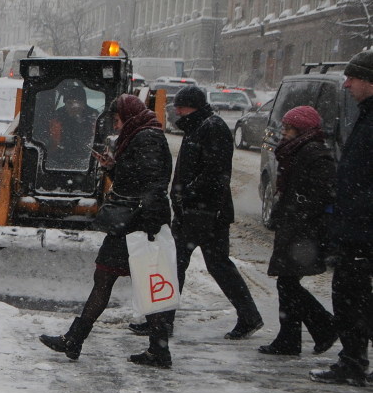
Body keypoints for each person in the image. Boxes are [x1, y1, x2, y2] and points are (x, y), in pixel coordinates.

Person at [40, 94, 175, 367]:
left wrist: (147, 227)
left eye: (117, 119)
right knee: (127, 281)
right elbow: (135, 179)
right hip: (135, 223)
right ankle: (155, 349)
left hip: (136, 224)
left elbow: (149, 184)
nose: (116, 124)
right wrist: (113, 167)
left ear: (128, 115)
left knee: (121, 281)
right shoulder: (143, 134)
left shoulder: (146, 137)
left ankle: (76, 340)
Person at [147, 85, 262, 340]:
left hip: (205, 212)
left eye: (182, 106)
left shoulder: (212, 127)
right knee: (200, 265)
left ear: (194, 107)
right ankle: (248, 316)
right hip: (195, 211)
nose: (177, 110)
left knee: (192, 264)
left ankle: (162, 322)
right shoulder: (196, 127)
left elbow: (215, 172)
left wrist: (187, 193)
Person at [311, 51, 373, 386]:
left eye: (353, 77)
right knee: (352, 294)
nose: (346, 84)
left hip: (363, 230)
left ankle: (352, 364)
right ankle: (352, 361)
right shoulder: (366, 115)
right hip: (356, 227)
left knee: (352, 295)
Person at [257, 105, 337, 356]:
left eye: (288, 128)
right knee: (287, 283)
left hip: (304, 231)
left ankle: (323, 326)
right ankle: (292, 337)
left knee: (287, 284)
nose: (284, 132)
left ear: (301, 129)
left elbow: (323, 193)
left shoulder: (314, 153)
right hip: (294, 227)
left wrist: (299, 210)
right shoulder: (296, 151)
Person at [44, 81, 99, 168]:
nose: (73, 107)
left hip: (87, 161)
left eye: (77, 103)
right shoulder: (56, 118)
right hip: (57, 161)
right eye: (69, 103)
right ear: (65, 103)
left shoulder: (94, 118)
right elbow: (49, 141)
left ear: (84, 104)